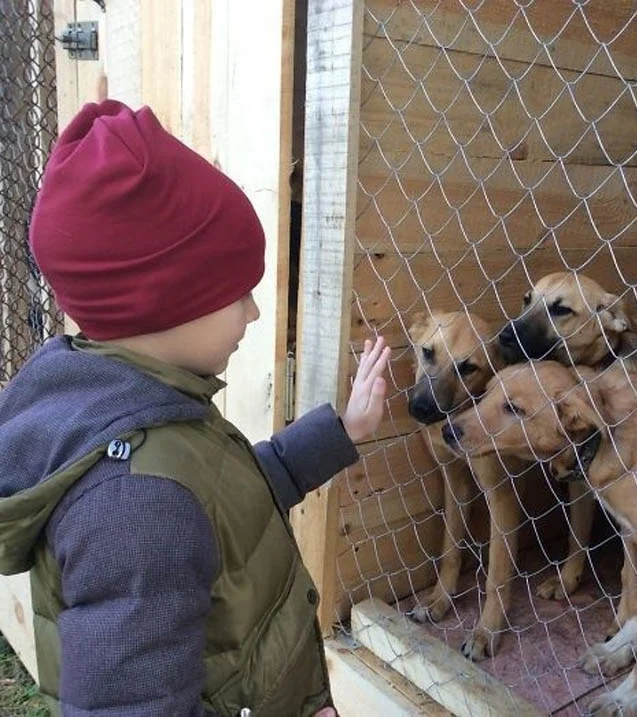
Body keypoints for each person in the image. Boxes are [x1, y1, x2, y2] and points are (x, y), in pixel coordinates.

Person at [0, 99, 389, 716]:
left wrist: (342, 430)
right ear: (163, 301)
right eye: (239, 293)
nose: (254, 313)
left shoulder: (136, 405)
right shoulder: (134, 506)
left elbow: (225, 501)